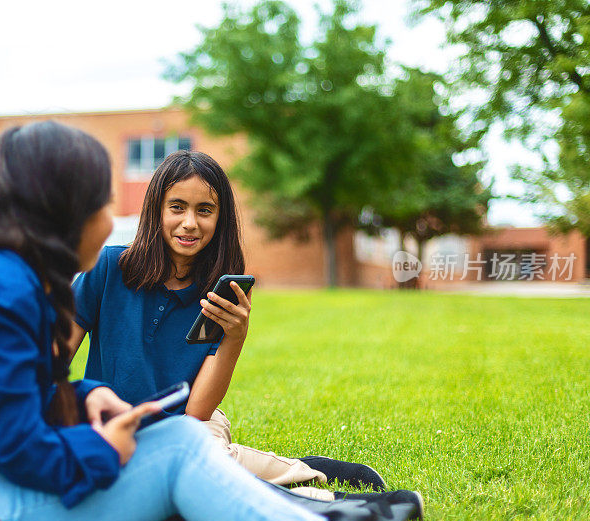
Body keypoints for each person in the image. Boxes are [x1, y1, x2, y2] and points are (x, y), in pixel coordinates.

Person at [0, 121, 398, 521]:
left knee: (185, 440)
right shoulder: (3, 293)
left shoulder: (3, 277)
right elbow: (14, 447)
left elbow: (18, 397)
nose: (111, 220)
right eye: (102, 204)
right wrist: (103, 452)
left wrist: (86, 396)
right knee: (182, 451)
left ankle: (315, 519)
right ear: (65, 212)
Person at [68, 150, 386, 500]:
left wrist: (235, 337)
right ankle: (296, 473)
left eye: (204, 210)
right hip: (117, 424)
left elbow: (197, 412)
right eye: (177, 207)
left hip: (192, 425)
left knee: (195, 463)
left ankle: (317, 487)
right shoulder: (108, 268)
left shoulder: (220, 293)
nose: (190, 222)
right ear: (156, 210)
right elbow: (51, 359)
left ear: (220, 219)